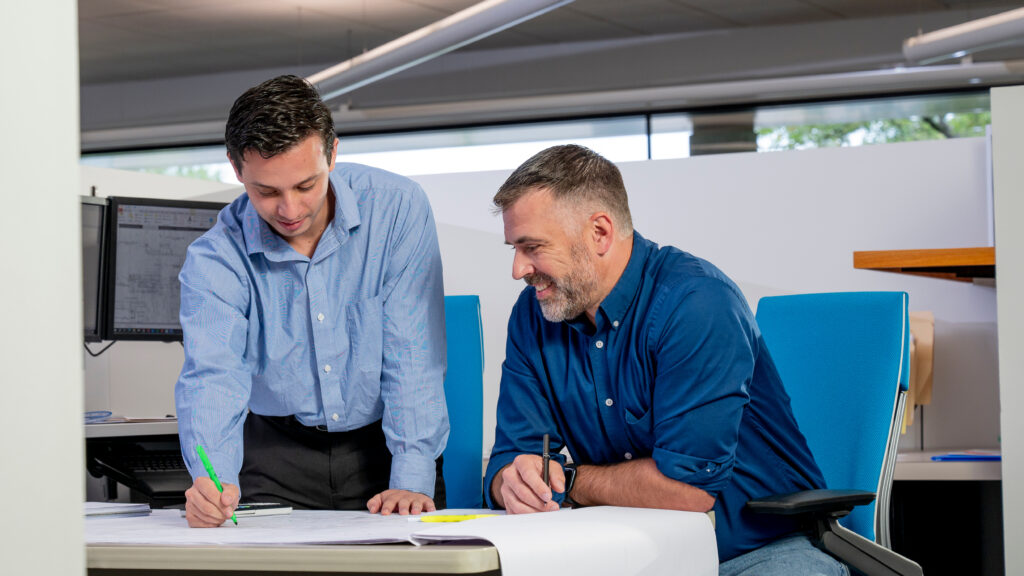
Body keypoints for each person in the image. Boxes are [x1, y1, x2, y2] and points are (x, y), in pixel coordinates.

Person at [483, 144, 847, 575]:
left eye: (533, 247)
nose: (518, 270)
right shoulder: (534, 315)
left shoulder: (696, 304)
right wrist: (512, 480)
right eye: (514, 249)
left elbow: (686, 491)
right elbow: (510, 457)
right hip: (621, 553)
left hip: (751, 552)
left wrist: (571, 479)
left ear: (599, 232)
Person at [175, 75, 448, 528]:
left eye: (305, 185)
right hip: (276, 454)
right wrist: (213, 483)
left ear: (332, 153)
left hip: (385, 445)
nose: (289, 209)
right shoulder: (215, 257)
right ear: (236, 168)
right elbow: (213, 378)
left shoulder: (398, 208)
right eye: (266, 191)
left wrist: (414, 475)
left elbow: (412, 352)